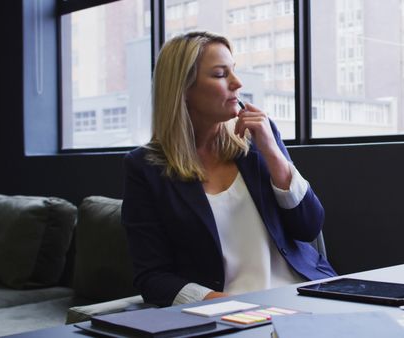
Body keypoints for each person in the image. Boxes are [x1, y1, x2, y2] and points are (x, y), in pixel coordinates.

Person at [121, 31, 337, 307]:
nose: (238, 83)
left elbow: (309, 227)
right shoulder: (144, 168)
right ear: (183, 89)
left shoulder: (260, 139)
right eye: (221, 74)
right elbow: (152, 277)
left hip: (302, 292)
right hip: (229, 310)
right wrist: (224, 304)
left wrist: (272, 152)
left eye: (234, 71)